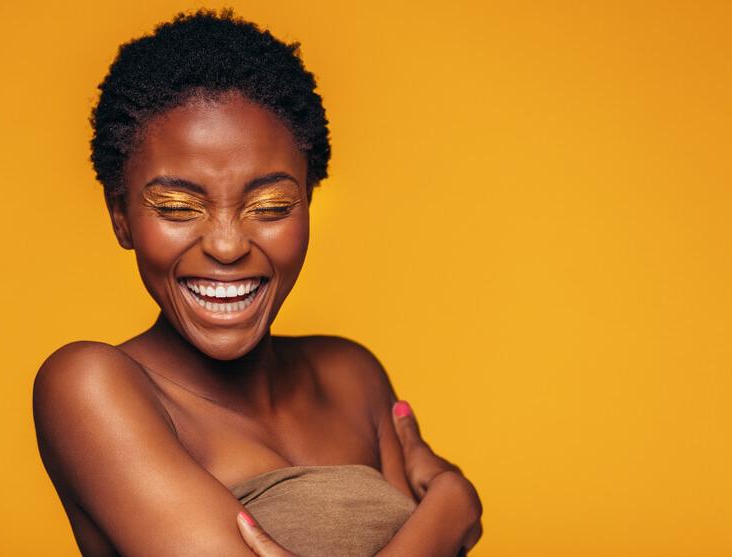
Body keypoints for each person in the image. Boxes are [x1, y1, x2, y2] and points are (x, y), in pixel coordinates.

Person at [32, 8, 482, 556]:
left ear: (308, 204)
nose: (227, 245)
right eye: (177, 206)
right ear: (121, 216)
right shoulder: (91, 388)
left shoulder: (352, 376)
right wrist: (448, 515)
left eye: (270, 205)